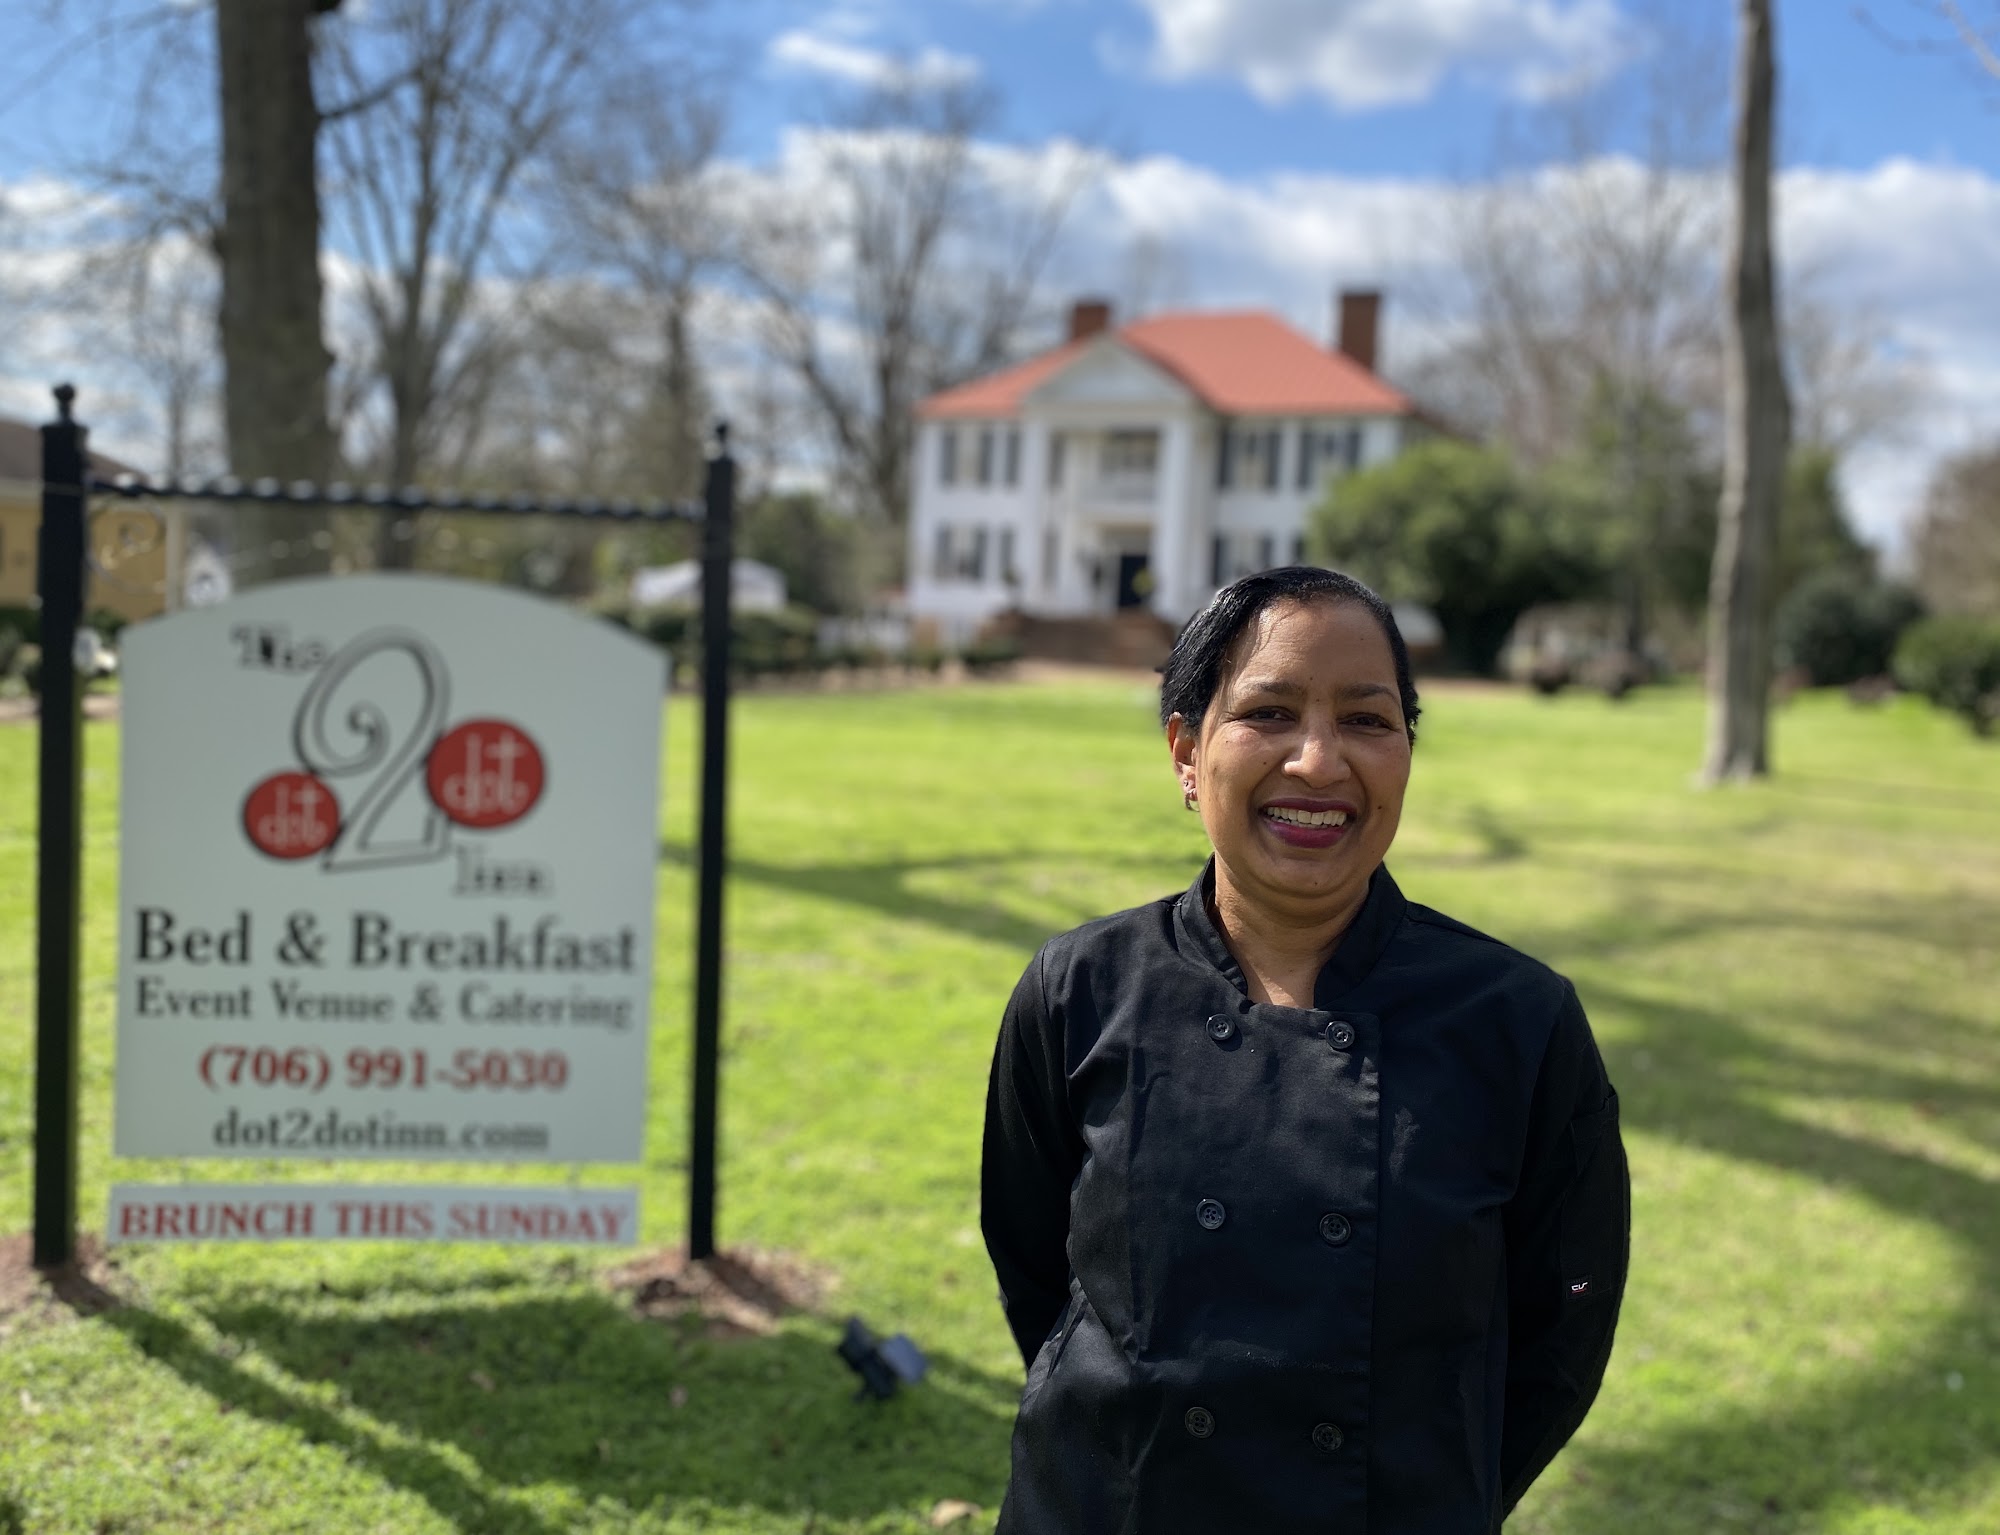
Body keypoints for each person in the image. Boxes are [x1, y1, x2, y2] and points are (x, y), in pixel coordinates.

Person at [981, 567, 1628, 1533]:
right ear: (1187, 751)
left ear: (1406, 752)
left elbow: (1564, 1325)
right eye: (1269, 712)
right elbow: (1036, 1269)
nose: (1320, 762)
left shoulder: (1519, 1021)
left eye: (1367, 719)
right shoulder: (1077, 988)